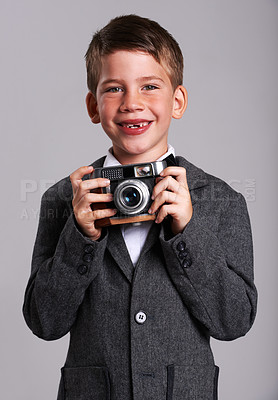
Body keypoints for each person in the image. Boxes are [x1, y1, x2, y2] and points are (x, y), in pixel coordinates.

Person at [23, 14, 257, 400]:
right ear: (93, 106)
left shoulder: (220, 200)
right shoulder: (65, 199)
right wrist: (80, 236)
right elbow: (44, 321)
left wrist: (188, 233)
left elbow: (234, 321)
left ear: (177, 101)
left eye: (150, 86)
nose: (133, 103)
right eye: (114, 89)